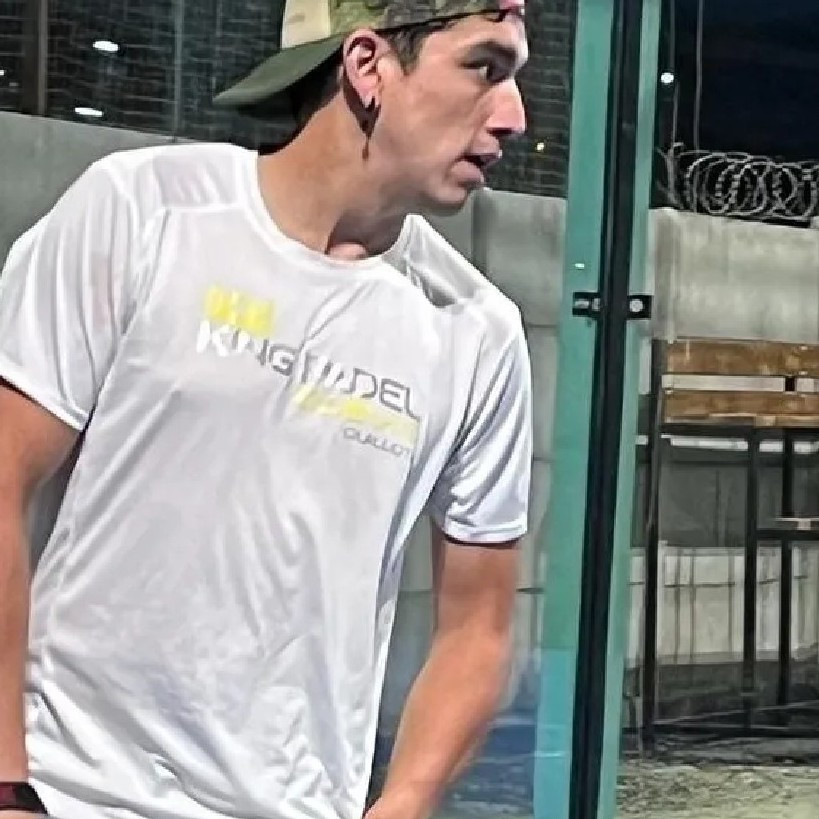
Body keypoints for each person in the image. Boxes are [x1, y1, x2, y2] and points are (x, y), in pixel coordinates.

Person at [0, 0, 532, 818]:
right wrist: (8, 785)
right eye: (483, 68)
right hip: (68, 789)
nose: (513, 117)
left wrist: (404, 801)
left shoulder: (476, 330)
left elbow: (478, 626)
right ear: (367, 66)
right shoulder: (144, 211)